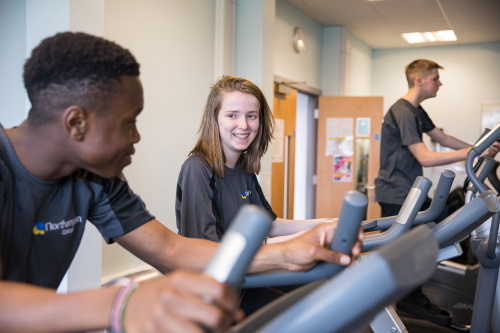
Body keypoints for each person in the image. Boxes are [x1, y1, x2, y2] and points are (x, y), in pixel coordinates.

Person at [0, 32, 362, 333]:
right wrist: (123, 303)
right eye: (130, 122)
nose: (137, 137)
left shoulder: (94, 179)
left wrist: (287, 251)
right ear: (76, 122)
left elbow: (172, 250)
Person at [175, 75, 355, 314]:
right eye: (232, 115)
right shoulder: (197, 168)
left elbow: (270, 225)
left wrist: (324, 223)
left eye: (252, 116)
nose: (244, 125)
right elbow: (206, 249)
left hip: (245, 280)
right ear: (214, 119)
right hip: (214, 295)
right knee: (306, 311)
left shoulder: (243, 169)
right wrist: (303, 241)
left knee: (321, 294)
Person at [375, 59, 499, 218]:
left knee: (438, 226)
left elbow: (443, 139)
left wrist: (480, 147)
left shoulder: (416, 110)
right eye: (435, 78)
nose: (440, 83)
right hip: (397, 195)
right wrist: (475, 152)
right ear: (419, 81)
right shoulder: (403, 112)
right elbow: (425, 158)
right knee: (406, 242)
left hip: (412, 192)